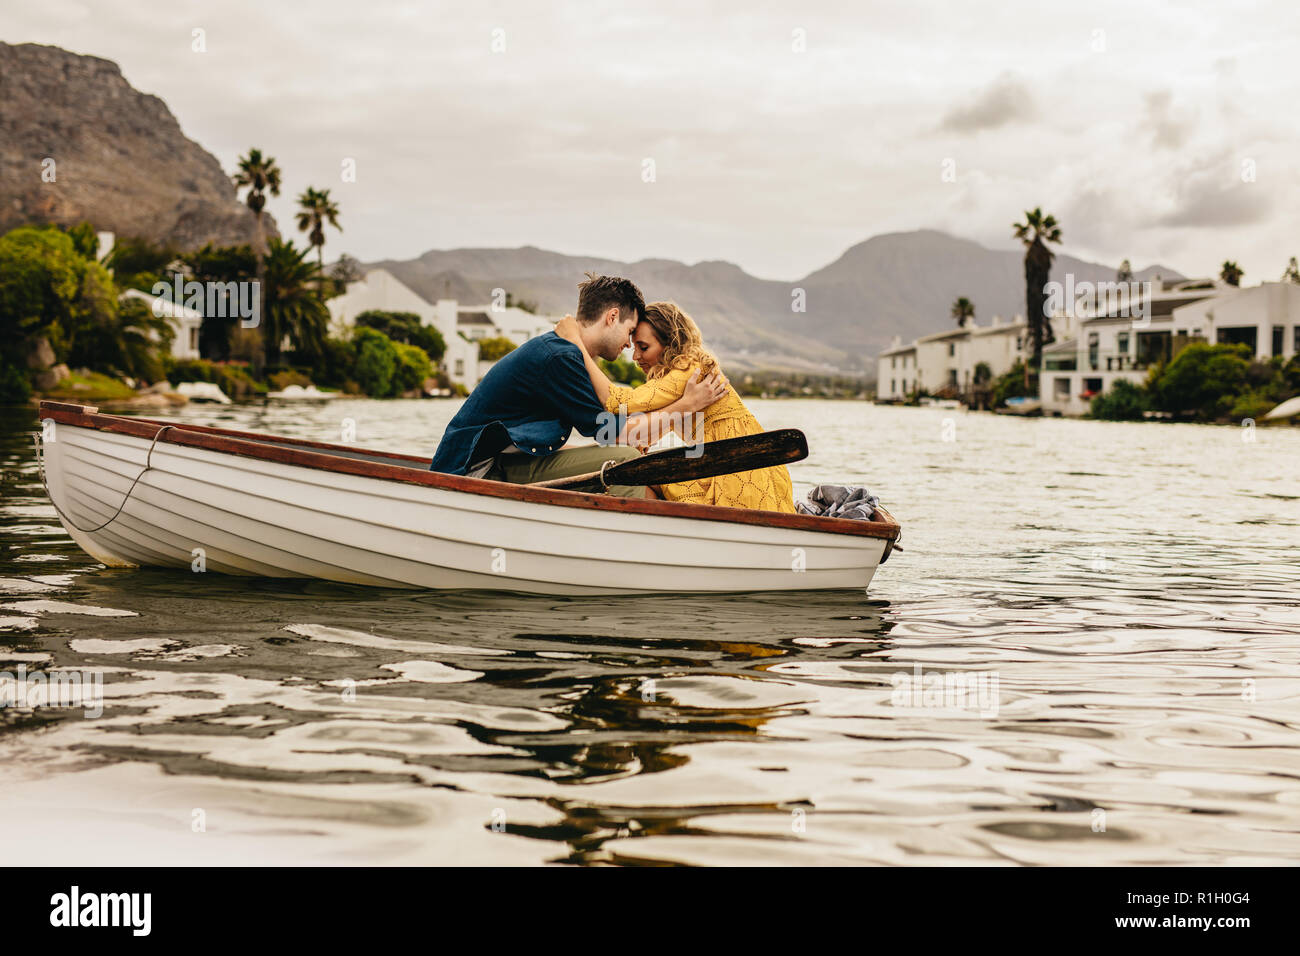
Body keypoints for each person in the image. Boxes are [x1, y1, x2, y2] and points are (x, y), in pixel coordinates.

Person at [429, 274, 727, 497]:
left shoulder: (566, 354)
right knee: (626, 461)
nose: (629, 344)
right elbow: (616, 435)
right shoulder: (560, 358)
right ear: (612, 317)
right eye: (630, 331)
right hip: (475, 474)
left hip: (498, 463)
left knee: (630, 457)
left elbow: (611, 422)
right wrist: (687, 405)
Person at [554, 301, 796, 512]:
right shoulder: (677, 376)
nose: (636, 357)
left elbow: (619, 402)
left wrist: (577, 343)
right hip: (720, 463)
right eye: (634, 347)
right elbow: (655, 425)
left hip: (736, 471)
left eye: (644, 347)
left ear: (670, 344)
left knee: (642, 476)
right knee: (637, 469)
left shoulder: (688, 369)